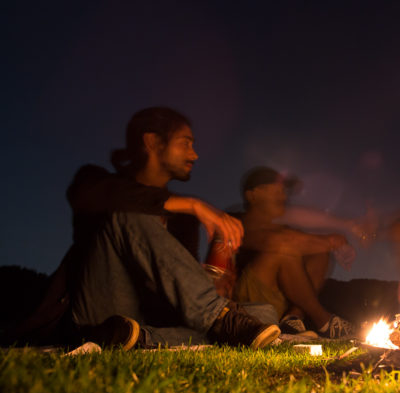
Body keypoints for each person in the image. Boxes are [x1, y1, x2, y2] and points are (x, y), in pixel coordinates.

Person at [62, 107, 280, 349]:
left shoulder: (183, 218)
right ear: (153, 142)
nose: (194, 155)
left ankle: (140, 339)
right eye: (185, 143)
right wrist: (193, 204)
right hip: (100, 310)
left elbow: (177, 280)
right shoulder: (97, 182)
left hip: (144, 320)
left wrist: (212, 284)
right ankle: (220, 318)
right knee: (131, 214)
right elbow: (95, 196)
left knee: (264, 313)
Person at [234, 166, 365, 338]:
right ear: (253, 195)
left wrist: (334, 244)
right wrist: (331, 241)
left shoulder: (283, 229)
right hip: (244, 303)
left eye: (284, 191)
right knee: (284, 247)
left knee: (318, 253)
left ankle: (293, 319)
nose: (283, 196)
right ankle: (325, 321)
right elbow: (269, 241)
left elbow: (307, 241)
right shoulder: (236, 220)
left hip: (278, 299)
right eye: (277, 190)